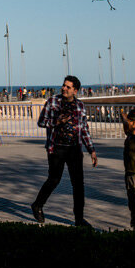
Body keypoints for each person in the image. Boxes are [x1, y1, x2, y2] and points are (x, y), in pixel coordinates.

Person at [31, 75, 98, 228]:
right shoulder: (53, 101)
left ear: (75, 90)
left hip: (74, 150)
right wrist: (57, 121)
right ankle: (37, 205)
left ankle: (79, 219)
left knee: (78, 185)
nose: (64, 88)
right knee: (54, 179)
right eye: (63, 85)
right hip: (56, 148)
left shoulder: (80, 106)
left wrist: (91, 150)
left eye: (68, 87)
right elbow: (41, 122)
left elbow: (84, 129)